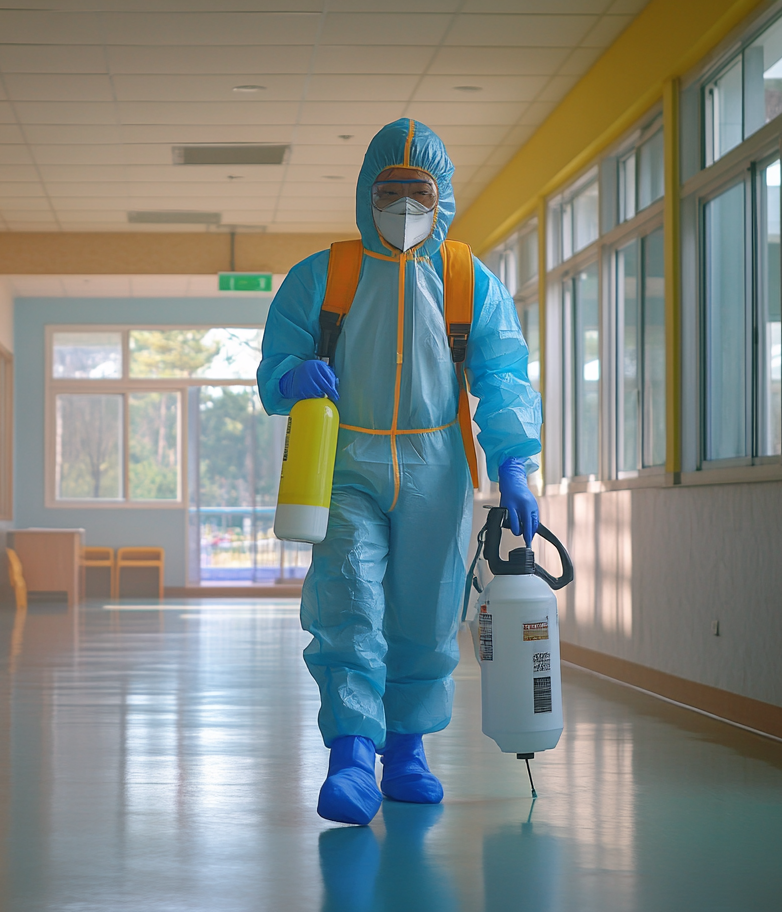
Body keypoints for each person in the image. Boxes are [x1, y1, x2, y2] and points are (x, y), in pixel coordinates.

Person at [257, 118, 542, 826]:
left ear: (442, 197)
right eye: (391, 191)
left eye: (419, 193)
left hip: (435, 466)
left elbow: (503, 374)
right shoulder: (326, 276)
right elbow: (273, 366)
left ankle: (407, 750)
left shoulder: (464, 279)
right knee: (349, 600)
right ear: (366, 194)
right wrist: (293, 378)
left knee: (426, 609)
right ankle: (352, 755)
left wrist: (514, 463)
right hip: (346, 460)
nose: (405, 208)